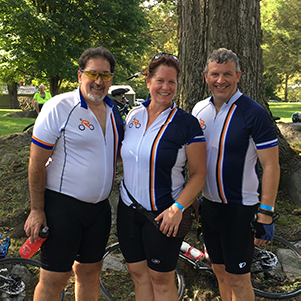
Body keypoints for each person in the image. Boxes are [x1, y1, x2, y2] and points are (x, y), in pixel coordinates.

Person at [23, 46, 124, 301]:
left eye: (105, 75)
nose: (99, 81)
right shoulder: (60, 106)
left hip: (99, 211)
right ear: (80, 75)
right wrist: (37, 210)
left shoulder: (114, 113)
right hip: (62, 208)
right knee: (54, 278)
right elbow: (36, 162)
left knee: (90, 272)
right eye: (93, 74)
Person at [192, 48, 280, 301]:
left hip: (241, 209)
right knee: (219, 272)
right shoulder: (199, 110)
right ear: (206, 75)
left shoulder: (253, 113)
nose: (221, 80)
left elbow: (272, 165)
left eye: (227, 74)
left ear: (238, 75)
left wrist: (266, 212)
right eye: (215, 74)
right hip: (209, 208)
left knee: (239, 279)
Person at [117, 53, 207, 300]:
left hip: (165, 213)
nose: (165, 87)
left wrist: (178, 208)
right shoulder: (133, 116)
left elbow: (199, 173)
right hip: (128, 209)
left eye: (172, 82)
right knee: (138, 275)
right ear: (148, 81)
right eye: (159, 80)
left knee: (162, 280)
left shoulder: (187, 123)